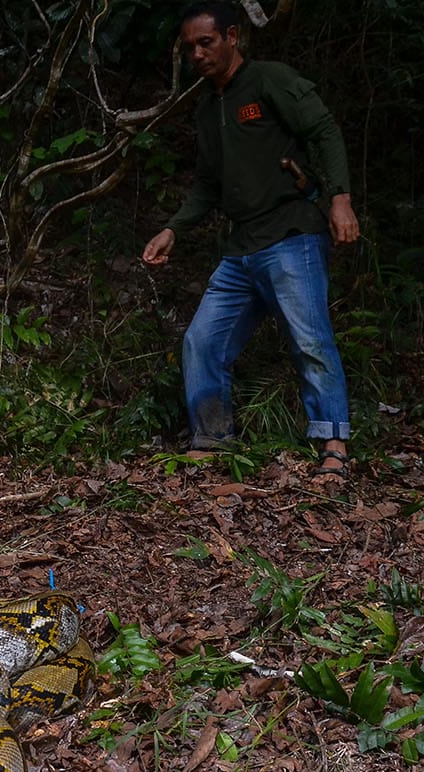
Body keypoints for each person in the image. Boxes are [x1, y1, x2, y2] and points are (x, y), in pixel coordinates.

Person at [142, 1, 360, 481]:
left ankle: (334, 444)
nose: (197, 54)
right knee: (202, 340)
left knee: (309, 339)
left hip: (290, 235)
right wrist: (173, 228)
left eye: (207, 42)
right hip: (241, 249)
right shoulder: (207, 107)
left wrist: (341, 198)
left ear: (232, 37)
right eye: (189, 47)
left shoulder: (268, 80)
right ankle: (212, 439)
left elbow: (323, 129)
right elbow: (206, 186)